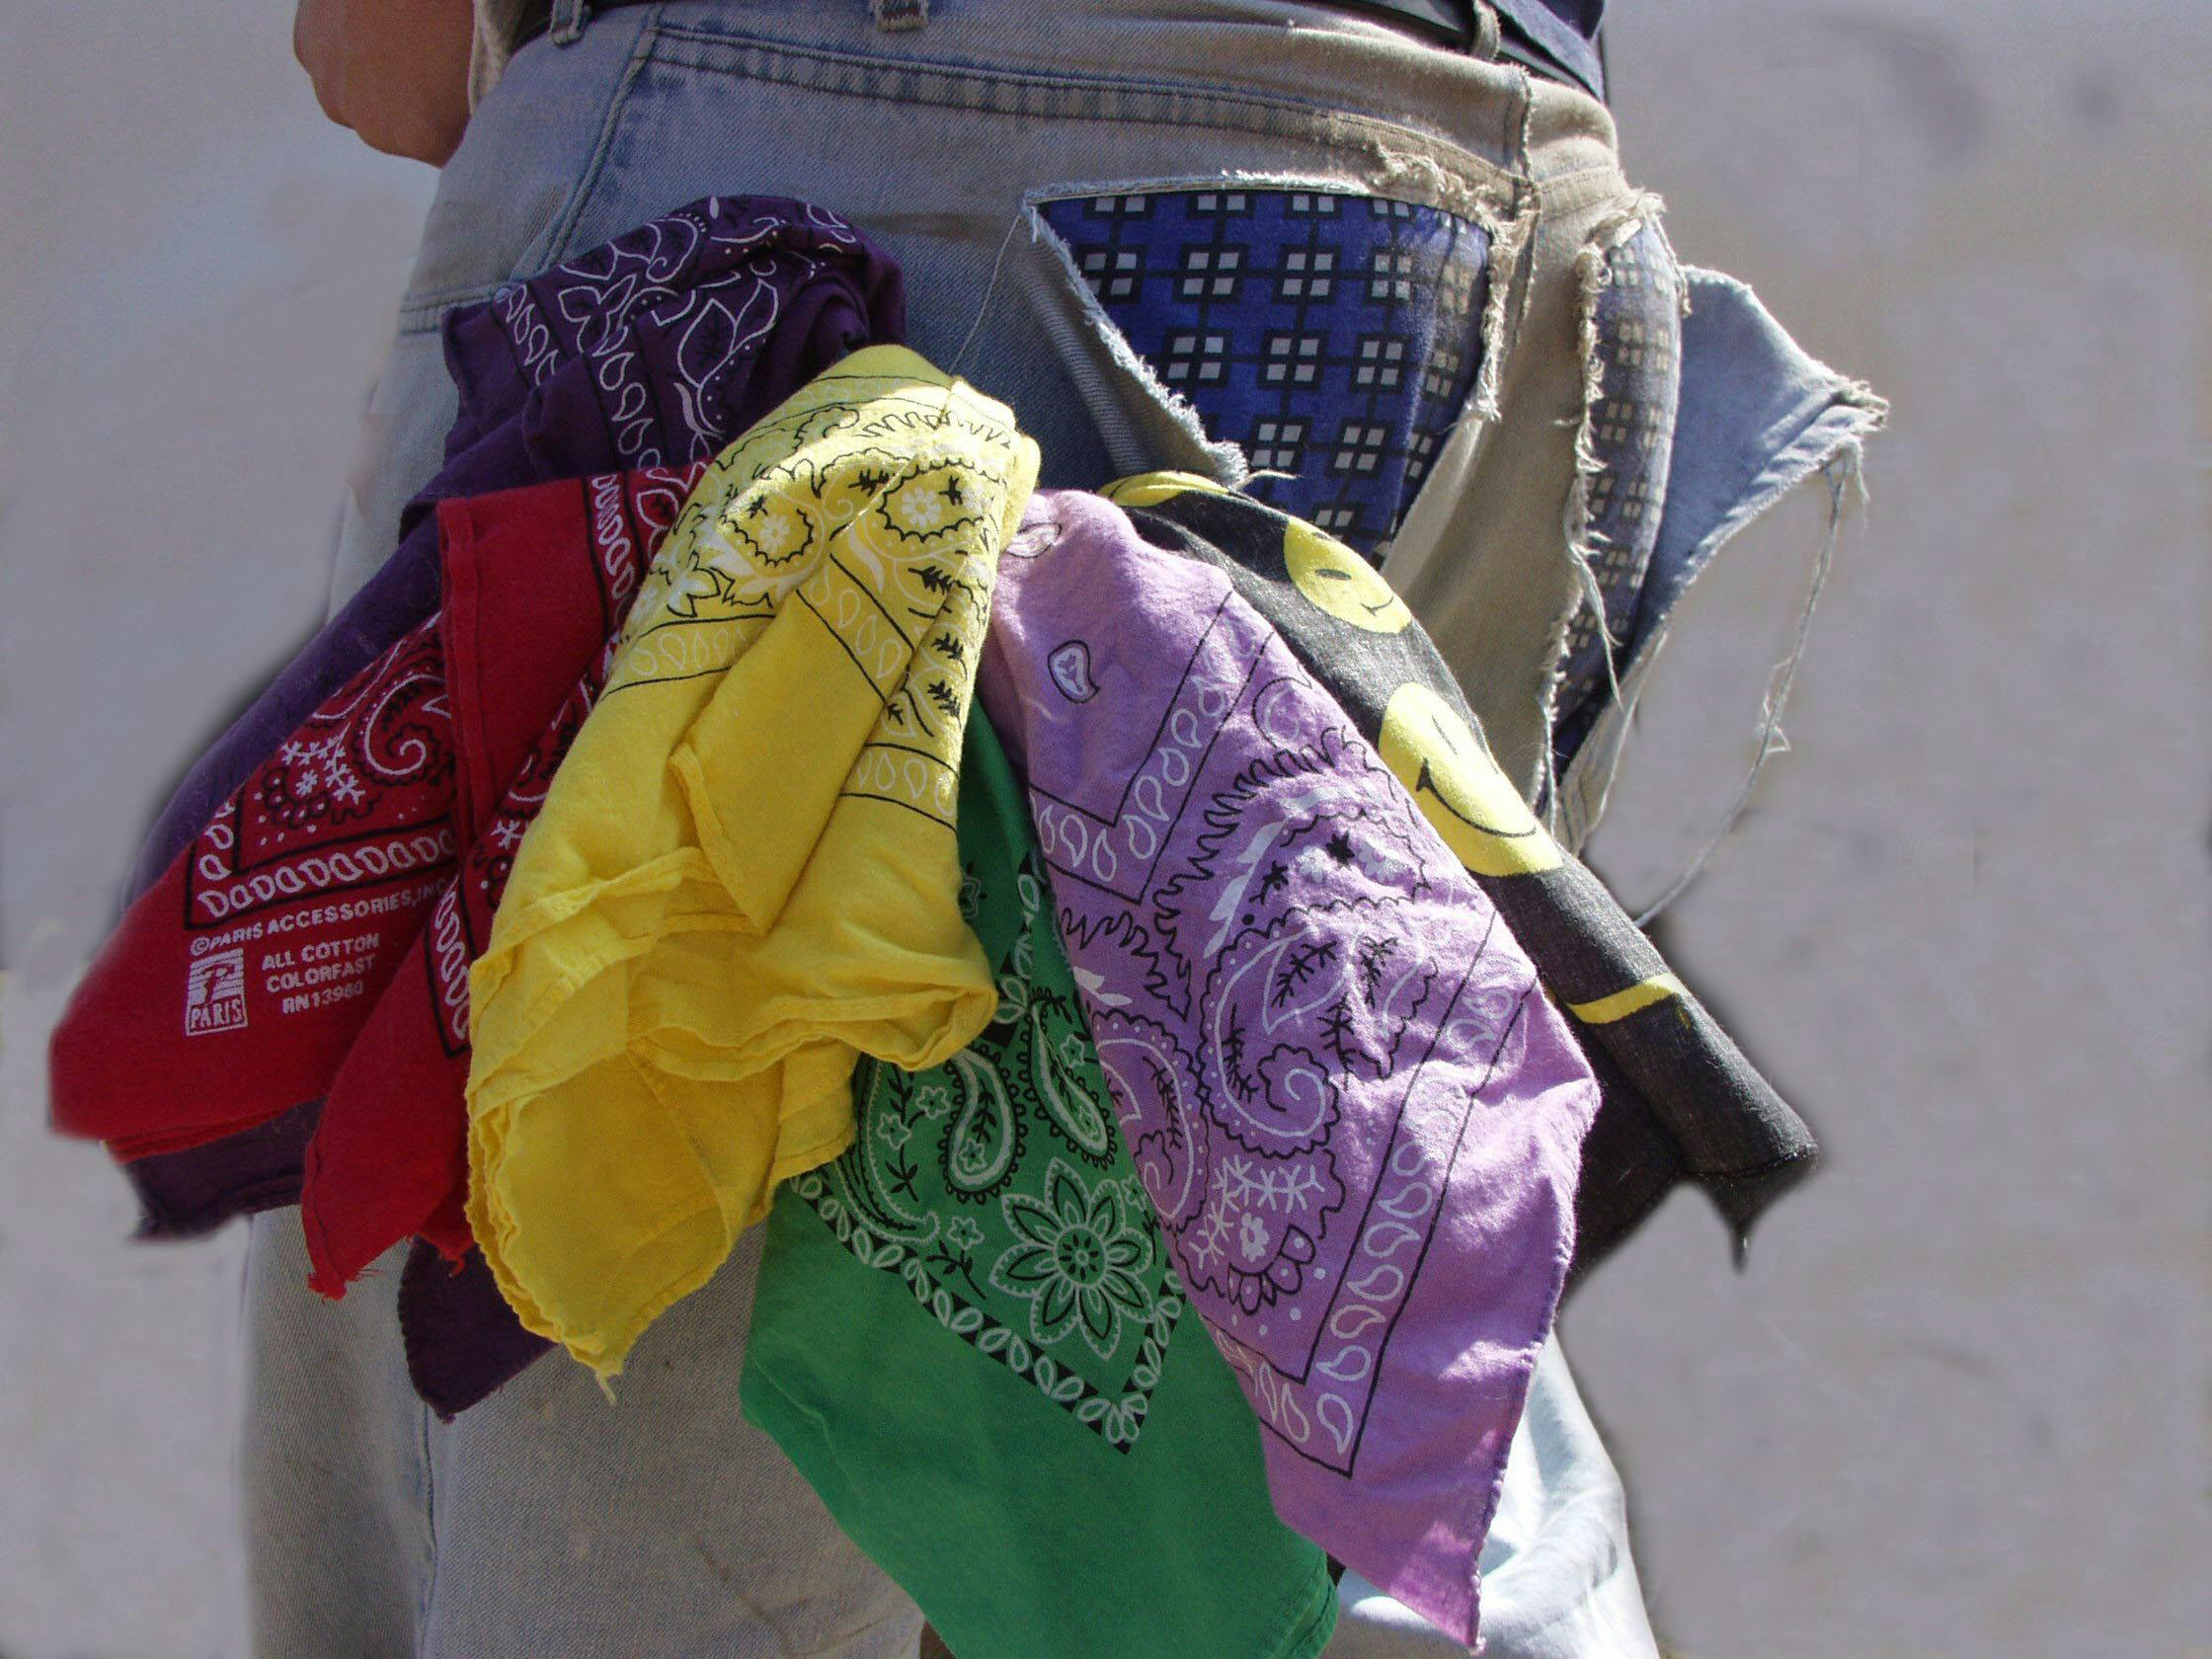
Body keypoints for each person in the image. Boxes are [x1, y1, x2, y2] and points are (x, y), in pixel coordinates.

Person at [258, 3, 1669, 1654]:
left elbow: (393, 52)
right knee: (1333, 1307)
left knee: (622, 1462)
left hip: (846, 156)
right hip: (1487, 227)